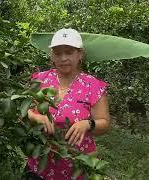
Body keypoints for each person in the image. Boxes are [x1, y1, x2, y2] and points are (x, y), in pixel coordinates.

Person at [25, 28, 111, 180]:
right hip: (40, 162)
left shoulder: (93, 86)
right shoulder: (39, 80)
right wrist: (36, 117)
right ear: (52, 56)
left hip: (77, 166)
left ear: (80, 54)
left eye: (69, 52)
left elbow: (105, 123)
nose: (63, 58)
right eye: (58, 53)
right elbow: (24, 111)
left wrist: (87, 124)